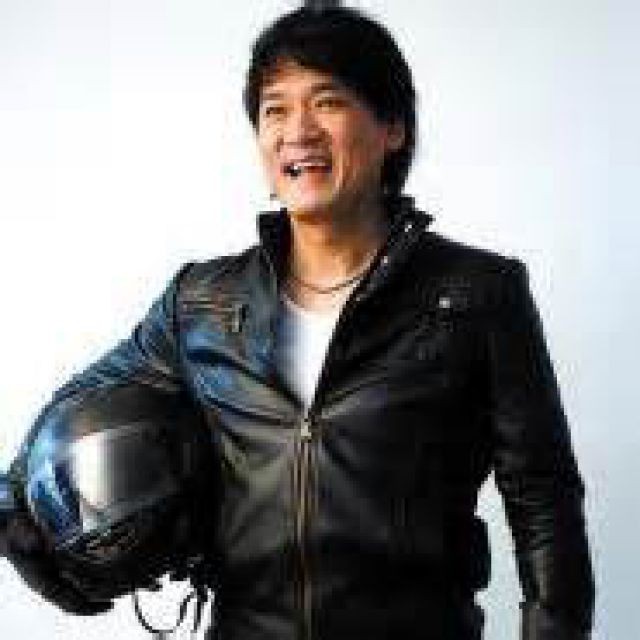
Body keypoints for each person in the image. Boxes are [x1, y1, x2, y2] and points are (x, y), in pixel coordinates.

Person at [4, 3, 595, 639]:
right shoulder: (201, 304)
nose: (298, 131)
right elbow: (75, 404)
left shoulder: (477, 294)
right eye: (275, 109)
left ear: (392, 128)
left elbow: (544, 502)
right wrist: (17, 514)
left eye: (328, 102)